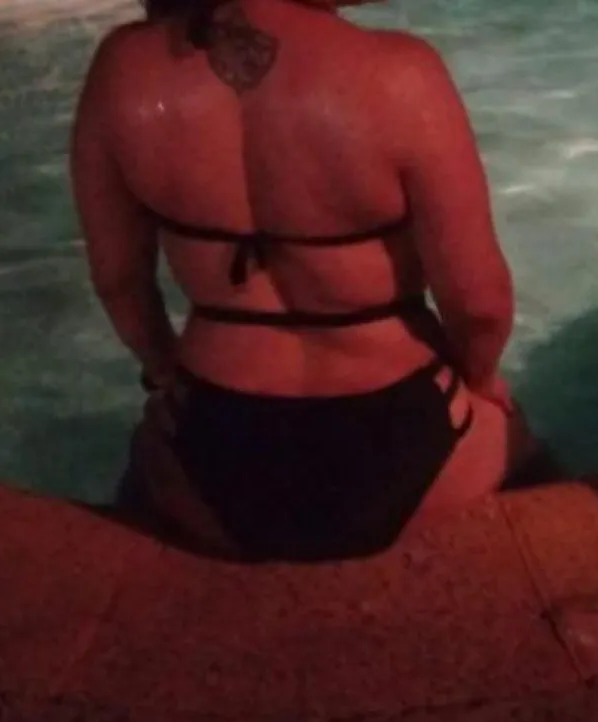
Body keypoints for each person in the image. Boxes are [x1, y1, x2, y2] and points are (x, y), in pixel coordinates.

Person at [71, 0, 560, 562]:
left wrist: (163, 372)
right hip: (406, 426)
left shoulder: (122, 69)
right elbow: (479, 303)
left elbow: (118, 282)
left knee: (144, 479)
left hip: (212, 438)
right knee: (531, 470)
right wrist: (481, 378)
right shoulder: (401, 74)